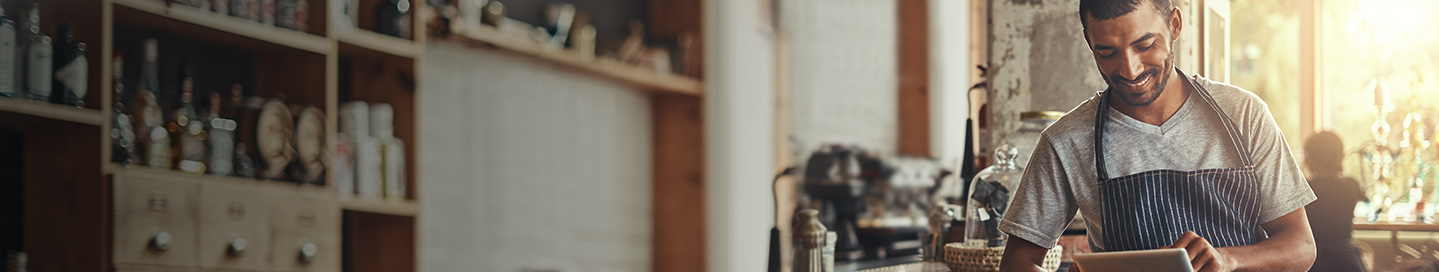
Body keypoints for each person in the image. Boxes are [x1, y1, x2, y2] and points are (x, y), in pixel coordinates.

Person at [995, 0, 1318, 271]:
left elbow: (1301, 246)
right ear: (1088, 41)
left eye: (1145, 45)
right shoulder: (1066, 141)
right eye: (1107, 53)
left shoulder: (1244, 114)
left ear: (1174, 25)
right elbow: (1018, 261)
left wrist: (1227, 259)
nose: (1130, 70)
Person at [1302, 131, 1367, 272]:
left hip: (1314, 261)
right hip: (1348, 261)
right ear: (1340, 156)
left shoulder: (1304, 189)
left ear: (1311, 158)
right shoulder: (1351, 185)